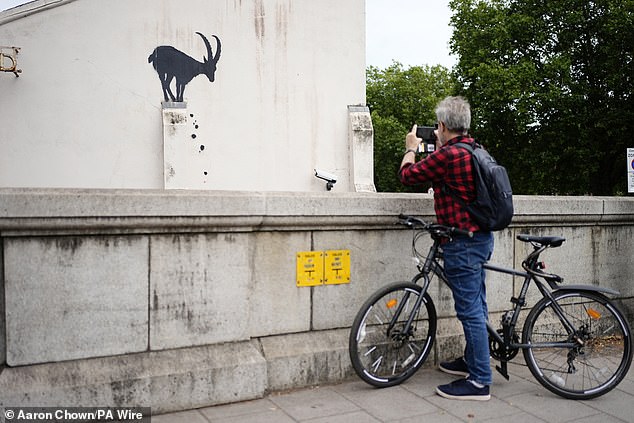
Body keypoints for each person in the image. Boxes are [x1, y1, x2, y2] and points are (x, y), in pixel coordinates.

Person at [399, 96, 494, 401]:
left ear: (441, 125)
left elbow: (407, 176)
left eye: (437, 127)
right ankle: (473, 361)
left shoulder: (449, 156)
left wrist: (412, 148)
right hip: (480, 237)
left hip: (462, 243)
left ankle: (480, 381)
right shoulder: (474, 149)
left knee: (469, 311)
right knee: (477, 305)